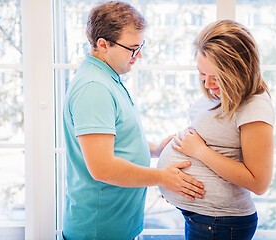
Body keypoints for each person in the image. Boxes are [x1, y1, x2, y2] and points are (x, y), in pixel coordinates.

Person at [62, 2, 205, 240]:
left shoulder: (108, 78)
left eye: (141, 47)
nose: (138, 56)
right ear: (103, 44)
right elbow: (103, 168)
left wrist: (155, 149)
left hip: (114, 226)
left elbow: (114, 142)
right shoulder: (94, 88)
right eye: (132, 48)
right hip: (100, 230)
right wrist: (161, 177)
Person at [158, 19, 275, 240]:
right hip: (205, 218)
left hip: (220, 223)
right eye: (202, 74)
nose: (208, 84)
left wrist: (199, 151)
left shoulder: (254, 106)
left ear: (239, 70)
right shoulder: (225, 95)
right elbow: (220, 140)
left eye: (217, 77)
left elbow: (259, 182)